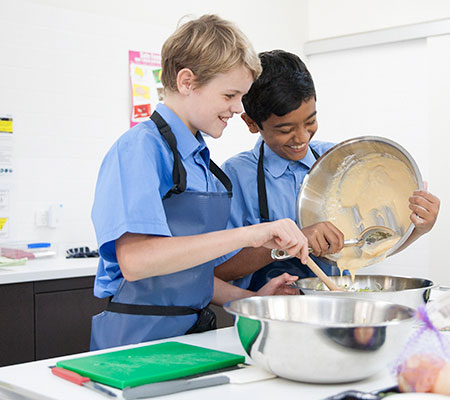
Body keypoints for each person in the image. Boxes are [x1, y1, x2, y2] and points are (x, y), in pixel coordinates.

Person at [89, 18, 309, 351]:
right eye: (230, 95)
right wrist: (250, 234)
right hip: (135, 343)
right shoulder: (141, 148)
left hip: (188, 337)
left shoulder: (197, 159)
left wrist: (251, 300)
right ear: (187, 81)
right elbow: (136, 262)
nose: (237, 108)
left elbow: (186, 275)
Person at [214, 50, 440, 291]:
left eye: (310, 121)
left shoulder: (337, 161)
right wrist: (292, 241)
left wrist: (418, 229)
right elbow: (220, 270)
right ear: (251, 123)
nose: (301, 137)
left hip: (329, 304)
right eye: (285, 129)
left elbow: (367, 247)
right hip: (268, 312)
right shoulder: (234, 176)